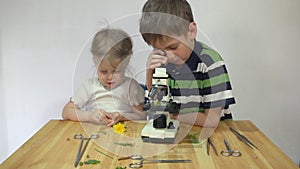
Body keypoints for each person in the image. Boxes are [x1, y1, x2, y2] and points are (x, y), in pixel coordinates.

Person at [139, 0, 236, 128]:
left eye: (173, 47)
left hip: (215, 135)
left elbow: (211, 121)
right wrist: (149, 73)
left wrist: (170, 115)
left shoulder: (210, 63)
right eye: (160, 49)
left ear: (191, 31)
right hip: (180, 130)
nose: (169, 56)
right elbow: (153, 108)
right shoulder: (160, 60)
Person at [62, 28, 146, 126]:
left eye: (116, 71)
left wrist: (121, 116)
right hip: (93, 135)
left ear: (126, 63)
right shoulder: (89, 86)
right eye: (103, 71)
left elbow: (143, 115)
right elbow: (66, 112)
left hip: (124, 134)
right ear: (95, 62)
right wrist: (89, 116)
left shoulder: (131, 87)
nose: (110, 77)